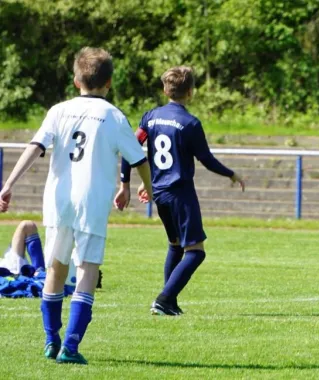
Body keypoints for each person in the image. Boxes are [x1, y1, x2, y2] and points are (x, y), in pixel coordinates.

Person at [0, 47, 152, 364]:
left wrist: (9, 184)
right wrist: (145, 187)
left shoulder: (58, 111)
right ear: (109, 82)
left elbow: (36, 146)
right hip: (92, 202)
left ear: (75, 80)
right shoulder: (113, 116)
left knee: (55, 270)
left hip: (57, 200)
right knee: (86, 270)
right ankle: (70, 345)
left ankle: (50, 340)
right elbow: (138, 159)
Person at [119, 66, 245, 316]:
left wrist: (127, 183)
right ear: (190, 92)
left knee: (175, 246)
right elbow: (206, 159)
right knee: (196, 252)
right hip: (181, 193)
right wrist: (231, 174)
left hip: (160, 194)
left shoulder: (150, 117)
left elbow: (130, 146)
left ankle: (170, 303)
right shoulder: (190, 123)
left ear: (166, 89)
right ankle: (164, 299)